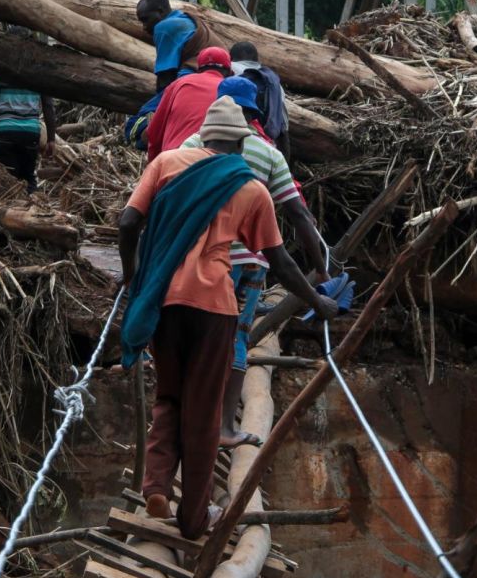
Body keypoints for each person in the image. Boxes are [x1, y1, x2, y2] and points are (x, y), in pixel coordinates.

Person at [118, 97, 339, 538]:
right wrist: (318, 301)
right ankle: (195, 518)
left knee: (169, 397)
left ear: (203, 136)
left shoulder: (166, 163)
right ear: (240, 143)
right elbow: (280, 262)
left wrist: (133, 279)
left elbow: (127, 223)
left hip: (164, 300)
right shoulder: (249, 186)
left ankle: (157, 485)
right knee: (202, 413)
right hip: (214, 308)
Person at [181, 76, 329, 448]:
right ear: (252, 113)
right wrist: (322, 266)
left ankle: (191, 418)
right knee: (237, 339)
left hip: (200, 259)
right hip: (250, 262)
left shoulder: (193, 145)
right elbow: (297, 213)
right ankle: (225, 427)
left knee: (198, 335)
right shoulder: (268, 153)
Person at [146, 47, 233, 159]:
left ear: (199, 68)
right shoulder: (232, 91)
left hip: (174, 159)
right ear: (229, 71)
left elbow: (154, 132)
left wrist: (155, 163)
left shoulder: (179, 83)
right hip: (212, 165)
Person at [0, 79, 57, 190]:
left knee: (6, 183)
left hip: (3, 132)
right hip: (30, 133)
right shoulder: (38, 69)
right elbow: (48, 104)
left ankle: (14, 205)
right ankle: (32, 202)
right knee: (28, 179)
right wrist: (51, 139)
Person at [229, 40, 290, 157]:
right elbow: (283, 127)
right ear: (257, 61)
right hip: (265, 147)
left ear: (231, 58)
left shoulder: (230, 70)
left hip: (230, 142)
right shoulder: (273, 82)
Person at [137, 0, 201, 92]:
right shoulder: (182, 18)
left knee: (149, 108)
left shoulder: (164, 27)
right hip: (218, 78)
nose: (144, 27)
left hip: (197, 80)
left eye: (146, 19)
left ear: (160, 11)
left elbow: (165, 78)